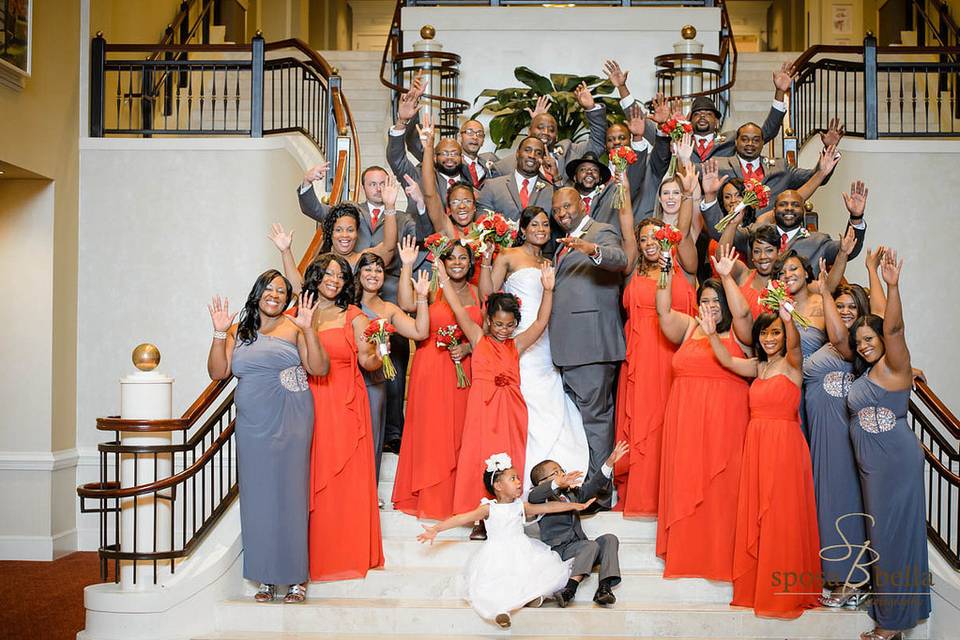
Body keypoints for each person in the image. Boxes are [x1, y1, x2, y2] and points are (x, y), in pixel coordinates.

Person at [206, 271, 327, 604]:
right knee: (258, 497)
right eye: (269, 289)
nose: (274, 294)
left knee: (291, 494)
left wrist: (308, 329)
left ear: (287, 297)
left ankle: (297, 577)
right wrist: (218, 332)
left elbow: (318, 368)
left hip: (292, 417)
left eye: (281, 290)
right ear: (257, 293)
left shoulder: (294, 326)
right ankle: (267, 578)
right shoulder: (237, 331)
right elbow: (219, 372)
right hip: (251, 424)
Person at [699, 305, 822, 618]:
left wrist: (789, 320)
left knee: (782, 515)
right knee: (761, 517)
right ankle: (759, 586)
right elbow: (726, 360)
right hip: (757, 446)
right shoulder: (758, 367)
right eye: (765, 333)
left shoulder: (793, 365)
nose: (770, 338)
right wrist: (712, 334)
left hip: (785, 448)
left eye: (775, 332)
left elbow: (794, 345)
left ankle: (783, 592)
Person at [847, 249, 930, 640]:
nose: (863, 345)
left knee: (890, 536)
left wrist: (894, 285)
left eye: (869, 339)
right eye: (858, 341)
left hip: (895, 462)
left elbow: (891, 328)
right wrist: (869, 271)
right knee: (884, 535)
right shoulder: (873, 366)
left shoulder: (895, 364)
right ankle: (896, 610)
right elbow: (878, 319)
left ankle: (890, 624)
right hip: (874, 467)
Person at [654, 252, 753, 581]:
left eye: (716, 301)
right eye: (704, 299)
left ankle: (719, 560)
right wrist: (665, 273)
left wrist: (726, 276)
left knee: (722, 491)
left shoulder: (738, 334)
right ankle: (688, 556)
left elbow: (743, 312)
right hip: (686, 423)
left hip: (726, 424)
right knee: (688, 485)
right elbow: (664, 312)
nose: (709, 305)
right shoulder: (691, 327)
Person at [479, 206, 589, 494]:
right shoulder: (509, 256)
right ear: (523, 228)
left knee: (550, 392)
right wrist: (487, 260)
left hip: (546, 337)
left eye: (545, 225)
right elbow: (488, 295)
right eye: (535, 224)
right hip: (519, 334)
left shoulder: (550, 259)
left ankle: (556, 471)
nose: (541, 229)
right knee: (526, 398)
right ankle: (522, 472)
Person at [417, 453, 596, 629]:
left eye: (518, 478)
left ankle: (530, 597)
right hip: (497, 552)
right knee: (497, 581)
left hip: (522, 547)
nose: (518, 482)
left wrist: (574, 505)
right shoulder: (489, 508)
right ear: (498, 486)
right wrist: (436, 529)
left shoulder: (521, 506)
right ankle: (500, 610)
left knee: (533, 573)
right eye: (512, 479)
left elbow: (548, 506)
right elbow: (461, 518)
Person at [614, 167, 699, 517]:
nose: (649, 245)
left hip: (671, 355)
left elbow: (684, 222)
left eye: (655, 238)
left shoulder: (678, 263)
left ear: (667, 239)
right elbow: (625, 218)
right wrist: (621, 182)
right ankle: (639, 493)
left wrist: (690, 193)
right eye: (644, 239)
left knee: (667, 423)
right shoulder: (634, 266)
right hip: (638, 356)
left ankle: (668, 494)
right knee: (640, 423)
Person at [445, 262, 556, 517]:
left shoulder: (515, 345)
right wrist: (443, 277)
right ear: (488, 321)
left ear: (515, 324)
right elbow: (458, 309)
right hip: (481, 407)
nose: (503, 330)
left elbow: (540, 323)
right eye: (498, 324)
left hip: (510, 409)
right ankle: (477, 515)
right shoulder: (477, 339)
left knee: (508, 458)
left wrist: (547, 290)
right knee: (477, 456)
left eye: (509, 325)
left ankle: (505, 512)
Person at [299, 253, 384, 581]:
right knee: (310, 478)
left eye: (340, 275)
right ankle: (311, 553)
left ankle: (344, 553)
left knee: (342, 480)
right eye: (327, 274)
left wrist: (379, 350)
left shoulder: (355, 316)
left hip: (344, 402)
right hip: (308, 402)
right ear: (316, 276)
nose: (334, 280)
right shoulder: (299, 313)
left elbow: (368, 362)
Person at [392, 238, 482, 521]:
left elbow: (485, 333)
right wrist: (407, 265)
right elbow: (405, 302)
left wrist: (467, 348)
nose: (457, 262)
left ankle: (458, 497)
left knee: (459, 432)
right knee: (433, 431)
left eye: (462, 258)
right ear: (442, 262)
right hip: (431, 366)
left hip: (463, 367)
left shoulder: (478, 292)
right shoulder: (432, 288)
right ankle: (432, 498)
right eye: (451, 257)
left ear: (470, 263)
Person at [549, 187, 628, 509]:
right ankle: (586, 484)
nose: (562, 213)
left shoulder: (601, 231)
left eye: (567, 206)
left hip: (592, 346)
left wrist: (591, 249)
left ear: (581, 204)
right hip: (569, 348)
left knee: (596, 420)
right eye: (557, 209)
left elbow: (618, 259)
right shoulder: (561, 244)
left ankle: (598, 492)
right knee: (582, 421)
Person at [810, 272, 877, 608]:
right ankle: (837, 576)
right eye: (840, 305)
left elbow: (889, 347)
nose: (846, 310)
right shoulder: (826, 340)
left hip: (840, 431)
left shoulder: (855, 343)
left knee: (843, 502)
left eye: (852, 305)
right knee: (825, 503)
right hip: (818, 430)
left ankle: (853, 580)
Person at [604, 59, 792, 163]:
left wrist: (780, 91)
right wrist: (622, 87)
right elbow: (639, 123)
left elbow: (766, 132)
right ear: (689, 120)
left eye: (708, 113)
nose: (702, 115)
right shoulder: (676, 138)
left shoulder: (732, 139)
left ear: (717, 121)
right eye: (697, 113)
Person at [352, 252, 431, 483]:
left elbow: (420, 331)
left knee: (373, 438)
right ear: (358, 273)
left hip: (374, 382)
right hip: (348, 379)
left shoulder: (389, 309)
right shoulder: (345, 304)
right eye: (368, 269)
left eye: (378, 270)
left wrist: (423, 298)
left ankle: (368, 492)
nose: (373, 274)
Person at [528, 441, 629, 608]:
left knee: (610, 539)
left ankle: (604, 588)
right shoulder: (539, 497)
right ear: (542, 482)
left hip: (580, 546)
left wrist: (609, 463)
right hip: (560, 549)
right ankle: (569, 589)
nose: (562, 474)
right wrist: (555, 485)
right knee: (589, 546)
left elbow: (593, 487)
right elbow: (534, 496)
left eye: (562, 470)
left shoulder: (572, 494)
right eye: (556, 473)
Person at [714, 118, 845, 209]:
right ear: (736, 142)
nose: (750, 144)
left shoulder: (781, 167)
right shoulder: (718, 165)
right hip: (731, 234)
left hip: (771, 238)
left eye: (755, 140)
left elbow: (815, 178)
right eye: (744, 139)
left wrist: (829, 149)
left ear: (762, 143)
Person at [494, 82, 608, 180]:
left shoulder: (571, 152)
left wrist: (591, 108)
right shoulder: (506, 165)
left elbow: (598, 143)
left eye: (551, 129)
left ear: (557, 136)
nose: (546, 132)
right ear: (529, 132)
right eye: (540, 127)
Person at [477, 136, 555, 221]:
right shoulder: (492, 186)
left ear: (542, 159)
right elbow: (482, 222)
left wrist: (557, 177)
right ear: (517, 153)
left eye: (538, 153)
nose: (532, 156)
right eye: (527, 150)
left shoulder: (551, 191)